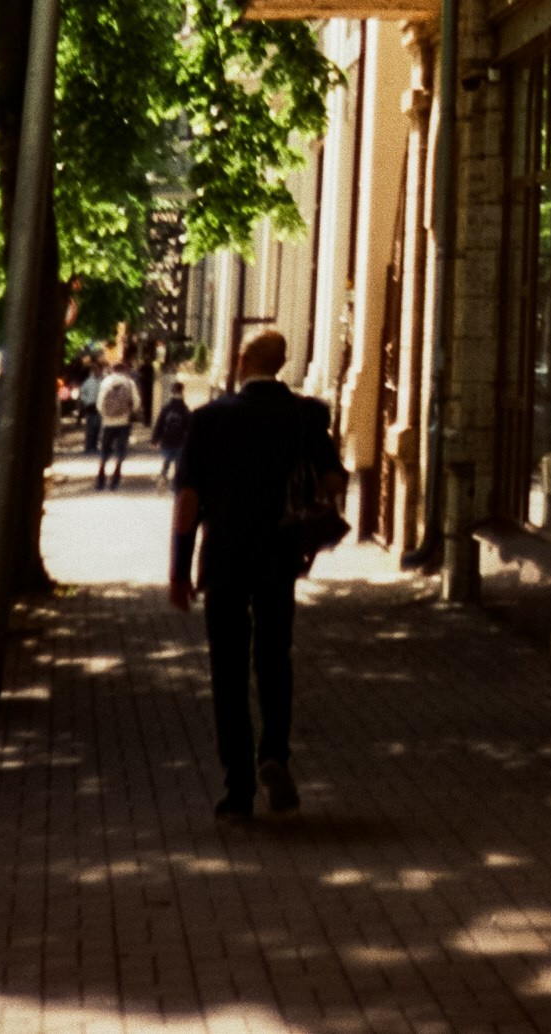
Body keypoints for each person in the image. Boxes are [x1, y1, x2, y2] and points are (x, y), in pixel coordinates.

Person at [169, 329, 344, 821]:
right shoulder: (305, 416)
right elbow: (333, 478)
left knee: (227, 670)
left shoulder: (208, 421)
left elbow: (187, 503)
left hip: (223, 559)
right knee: (273, 657)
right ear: (282, 364)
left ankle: (238, 788)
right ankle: (274, 753)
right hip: (279, 556)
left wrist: (179, 573)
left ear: (243, 360)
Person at [95, 357, 140, 489]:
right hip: (124, 421)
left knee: (105, 449)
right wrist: (130, 411)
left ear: (112, 370)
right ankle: (116, 476)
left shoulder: (106, 382)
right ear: (124, 369)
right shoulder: (129, 383)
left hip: (108, 422)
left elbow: (100, 403)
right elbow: (136, 402)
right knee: (120, 449)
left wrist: (105, 415)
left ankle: (101, 476)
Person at [154, 378, 193, 489]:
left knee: (166, 461)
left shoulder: (167, 408)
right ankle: (176, 484)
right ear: (182, 391)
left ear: (172, 391)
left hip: (166, 439)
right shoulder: (184, 409)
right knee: (178, 464)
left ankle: (163, 477)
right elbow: (188, 426)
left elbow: (160, 423)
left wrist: (155, 439)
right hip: (180, 440)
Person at [77, 355, 103, 456]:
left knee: (97, 427)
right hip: (90, 406)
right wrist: (86, 401)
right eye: (96, 370)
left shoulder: (101, 381)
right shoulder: (89, 381)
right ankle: (89, 446)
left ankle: (94, 446)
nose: (98, 371)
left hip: (99, 406)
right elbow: (82, 392)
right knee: (90, 427)